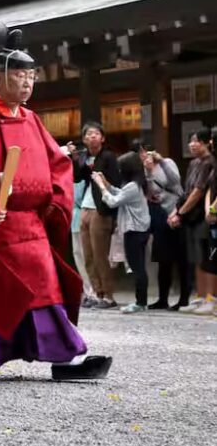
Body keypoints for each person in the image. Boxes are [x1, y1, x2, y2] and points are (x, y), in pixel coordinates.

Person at [0, 25, 111, 382]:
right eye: (19, 75)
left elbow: (58, 163)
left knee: (45, 286)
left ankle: (64, 356)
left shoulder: (32, 119)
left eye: (31, 76)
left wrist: (53, 201)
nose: (27, 83)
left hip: (31, 223)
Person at [71, 121, 122, 308]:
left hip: (100, 209)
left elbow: (116, 183)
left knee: (100, 254)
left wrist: (112, 214)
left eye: (96, 134)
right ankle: (97, 293)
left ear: (102, 138)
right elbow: (76, 177)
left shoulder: (108, 156)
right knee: (87, 255)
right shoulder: (85, 157)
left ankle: (109, 295)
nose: (92, 136)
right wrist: (76, 158)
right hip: (85, 207)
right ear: (84, 139)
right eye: (88, 134)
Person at [93, 152, 151, 313]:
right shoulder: (136, 184)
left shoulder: (132, 186)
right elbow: (121, 194)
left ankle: (140, 302)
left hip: (134, 231)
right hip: (140, 230)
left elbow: (113, 202)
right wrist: (108, 185)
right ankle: (142, 302)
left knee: (137, 267)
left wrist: (102, 186)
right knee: (139, 267)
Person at [132, 141, 188, 309]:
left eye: (143, 151)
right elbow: (148, 193)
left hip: (177, 212)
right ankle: (162, 298)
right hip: (160, 215)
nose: (143, 155)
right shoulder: (143, 170)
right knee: (163, 259)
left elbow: (176, 181)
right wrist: (148, 172)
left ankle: (183, 299)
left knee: (181, 258)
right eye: (139, 153)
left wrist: (161, 161)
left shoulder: (167, 162)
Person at [171, 128, 215, 314]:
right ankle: (200, 295)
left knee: (207, 257)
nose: (191, 144)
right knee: (196, 257)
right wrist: (176, 211)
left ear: (206, 142)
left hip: (204, 216)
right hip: (191, 217)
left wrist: (180, 213)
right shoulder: (193, 163)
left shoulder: (210, 162)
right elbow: (187, 191)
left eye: (196, 140)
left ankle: (211, 298)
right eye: (190, 140)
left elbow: (199, 191)